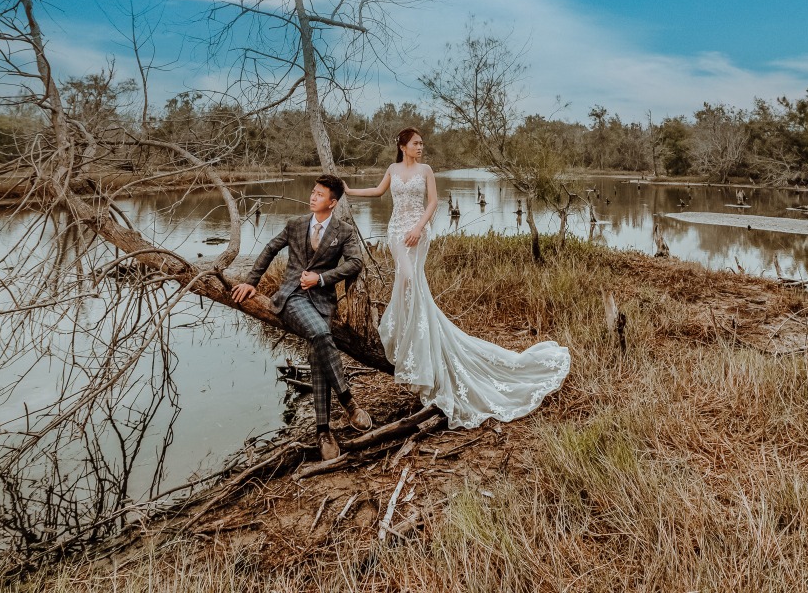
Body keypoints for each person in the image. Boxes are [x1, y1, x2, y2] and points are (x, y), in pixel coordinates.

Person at [345, 128, 570, 428]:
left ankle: (419, 346)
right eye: (415, 143)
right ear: (402, 146)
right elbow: (377, 191)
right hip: (396, 232)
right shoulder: (392, 168)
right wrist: (349, 191)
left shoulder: (426, 170)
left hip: (417, 233)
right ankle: (411, 340)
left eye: (422, 143)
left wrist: (418, 228)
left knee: (413, 281)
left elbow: (433, 203)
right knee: (406, 282)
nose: (421, 147)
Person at [231, 174, 374, 461]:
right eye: (313, 192)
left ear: (332, 203)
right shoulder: (295, 225)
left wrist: (322, 278)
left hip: (322, 301)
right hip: (291, 298)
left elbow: (356, 263)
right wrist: (251, 281)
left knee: (316, 353)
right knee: (321, 334)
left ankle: (323, 431)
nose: (312, 197)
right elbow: (270, 249)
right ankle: (347, 400)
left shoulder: (343, 231)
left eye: (320, 195)